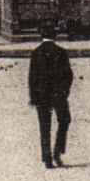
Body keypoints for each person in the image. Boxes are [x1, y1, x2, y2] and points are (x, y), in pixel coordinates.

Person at [27, 23, 73, 169]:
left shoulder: (36, 53)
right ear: (55, 36)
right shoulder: (61, 52)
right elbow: (69, 75)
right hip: (58, 94)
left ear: (41, 36)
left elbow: (32, 78)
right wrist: (65, 92)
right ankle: (57, 152)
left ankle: (46, 157)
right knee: (64, 120)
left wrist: (33, 97)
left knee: (44, 125)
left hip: (42, 95)